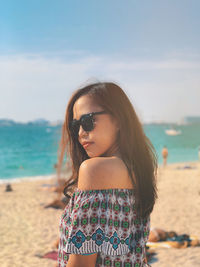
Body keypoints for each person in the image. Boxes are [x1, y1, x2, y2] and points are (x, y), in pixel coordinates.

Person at [56, 82, 158, 267]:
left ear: (118, 119)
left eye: (88, 121)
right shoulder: (138, 169)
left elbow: (81, 264)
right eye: (75, 125)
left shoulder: (95, 170)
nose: (80, 133)